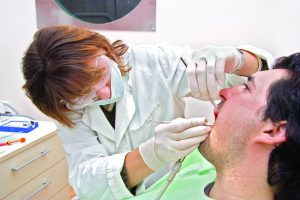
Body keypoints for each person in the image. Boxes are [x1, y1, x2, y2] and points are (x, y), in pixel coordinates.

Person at [21, 25, 273, 200]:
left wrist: (239, 60)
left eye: (103, 78)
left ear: (102, 49)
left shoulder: (153, 63)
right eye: (85, 94)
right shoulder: (66, 108)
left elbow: (249, 81)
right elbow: (87, 182)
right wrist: (150, 155)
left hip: (171, 183)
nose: (105, 94)